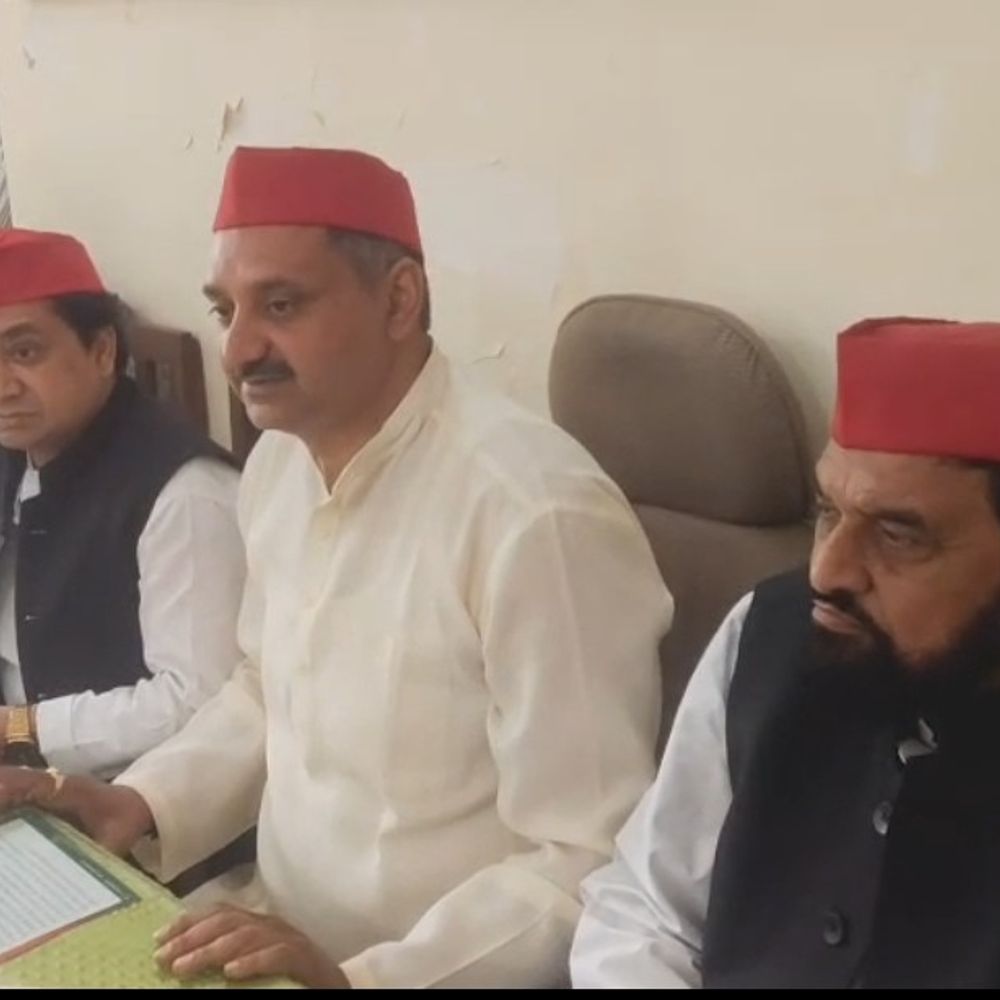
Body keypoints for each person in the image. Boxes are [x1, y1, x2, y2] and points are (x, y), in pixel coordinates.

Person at [2, 147, 672, 988]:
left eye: (281, 304)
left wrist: (364, 978)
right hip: (264, 927)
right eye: (225, 311)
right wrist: (143, 801)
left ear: (399, 299)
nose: (240, 349)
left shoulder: (532, 513)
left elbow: (586, 860)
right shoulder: (281, 462)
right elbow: (263, 691)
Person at [571, 316, 1000, 989]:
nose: (827, 571)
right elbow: (647, 908)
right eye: (827, 512)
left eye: (897, 535)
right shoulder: (768, 634)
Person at [0, 228, 244, 778]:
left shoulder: (186, 494)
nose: (3, 386)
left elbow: (198, 705)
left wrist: (22, 730)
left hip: (127, 803)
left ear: (103, 350)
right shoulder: (17, 449)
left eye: (24, 352)